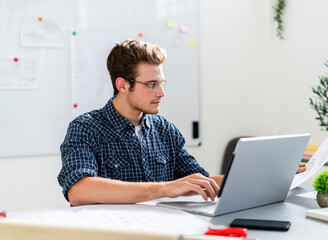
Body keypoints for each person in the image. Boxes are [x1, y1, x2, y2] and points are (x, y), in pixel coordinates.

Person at [58, 40, 306, 206]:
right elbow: (79, 191)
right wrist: (165, 188)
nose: (161, 93)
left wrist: (266, 176)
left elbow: (202, 182)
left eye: (161, 83)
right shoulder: (86, 127)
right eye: (151, 84)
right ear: (123, 85)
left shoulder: (164, 129)